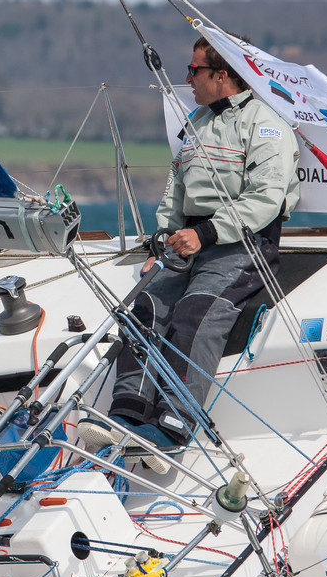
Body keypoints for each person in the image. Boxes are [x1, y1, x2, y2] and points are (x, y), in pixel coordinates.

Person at [108, 36, 301, 447]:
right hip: (188, 240)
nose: (187, 78)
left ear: (222, 75)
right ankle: (127, 412)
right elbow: (174, 191)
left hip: (242, 244)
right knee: (144, 305)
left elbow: (266, 199)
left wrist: (207, 233)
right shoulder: (195, 122)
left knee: (196, 312)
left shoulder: (266, 126)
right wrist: (159, 247)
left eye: (194, 70)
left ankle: (174, 423)